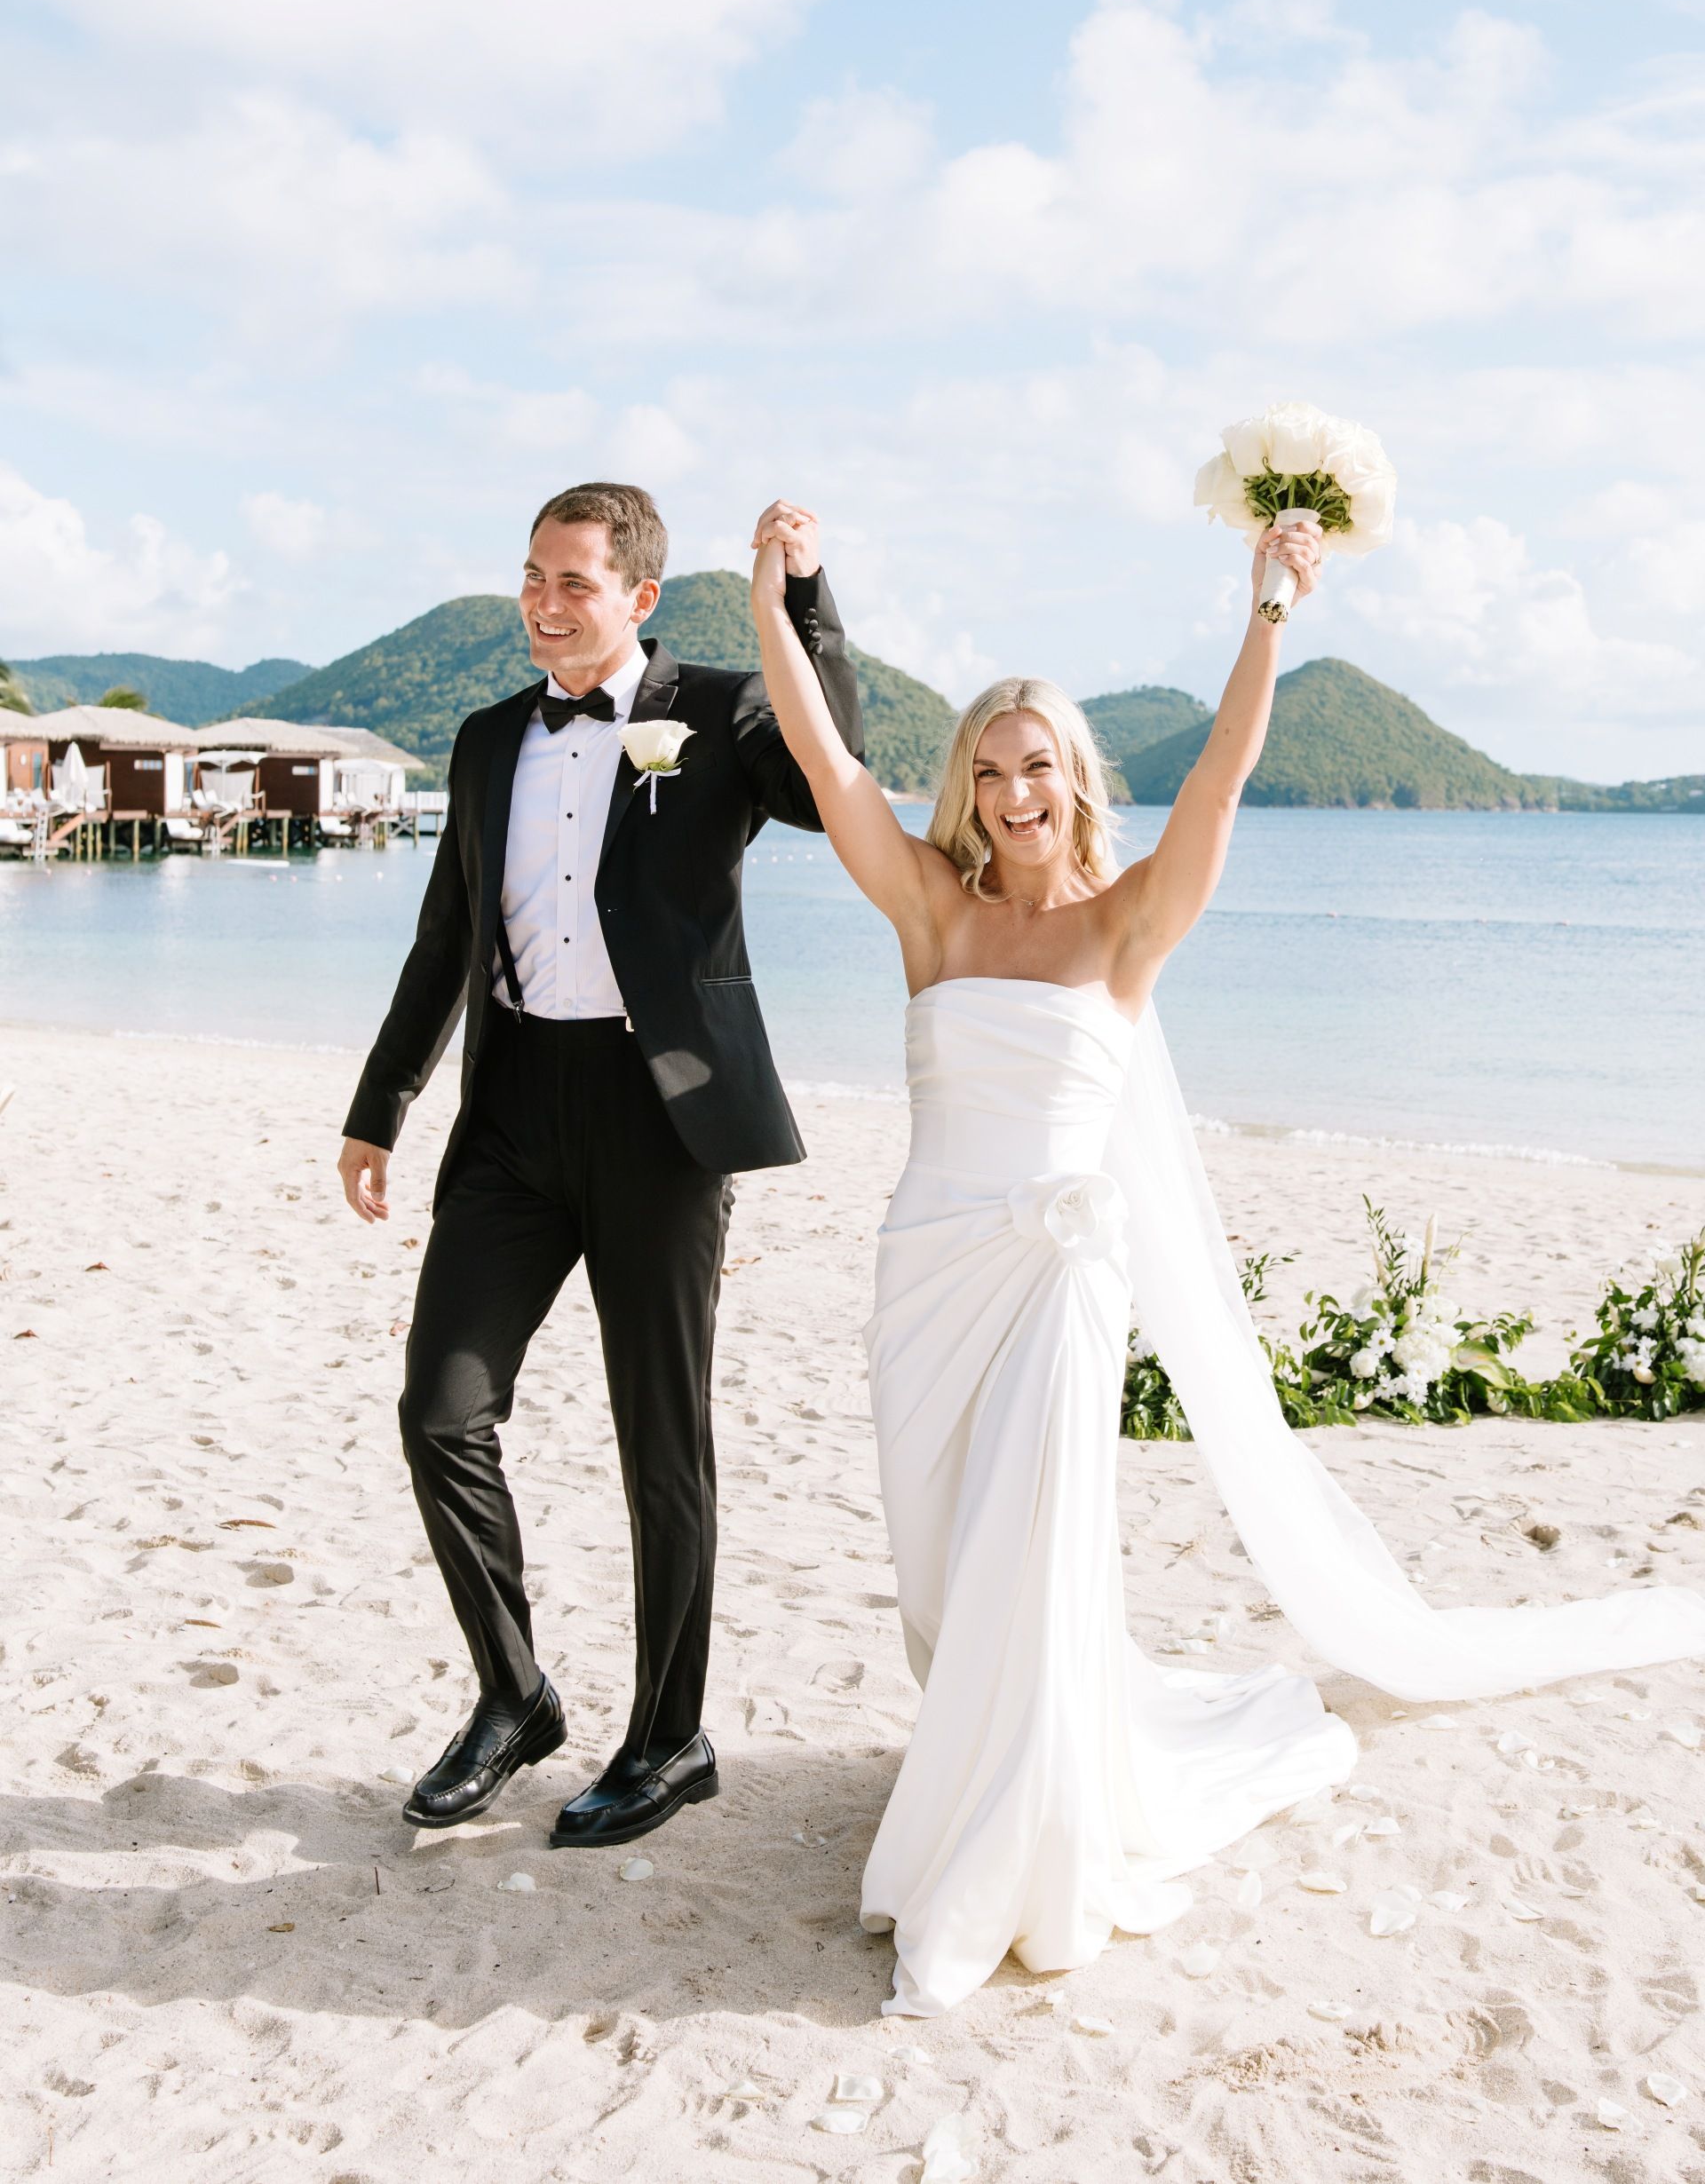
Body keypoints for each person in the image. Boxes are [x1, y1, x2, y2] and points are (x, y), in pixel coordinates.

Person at [748, 500, 1705, 2018]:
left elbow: (1221, 776)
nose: (1011, 793)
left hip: (1063, 1280)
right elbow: (824, 761)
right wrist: (770, 595)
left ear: (1073, 781)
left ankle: (1022, 1839)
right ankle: (996, 1750)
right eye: (989, 771)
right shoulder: (931, 914)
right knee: (939, 1574)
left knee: (1034, 1552)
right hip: (927, 1276)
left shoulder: (1129, 928)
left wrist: (1267, 612)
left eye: (1038, 766)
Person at [338, 482, 861, 1847]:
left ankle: (669, 1734)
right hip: (513, 1115)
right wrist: (381, 1102)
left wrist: (804, 604)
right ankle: (515, 1695)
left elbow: (832, 779)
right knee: (439, 1406)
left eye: (574, 581)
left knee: (660, 1440)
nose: (544, 603)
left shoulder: (726, 710)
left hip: (660, 1119)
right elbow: (446, 935)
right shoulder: (483, 739)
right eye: (532, 577)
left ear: (638, 595)